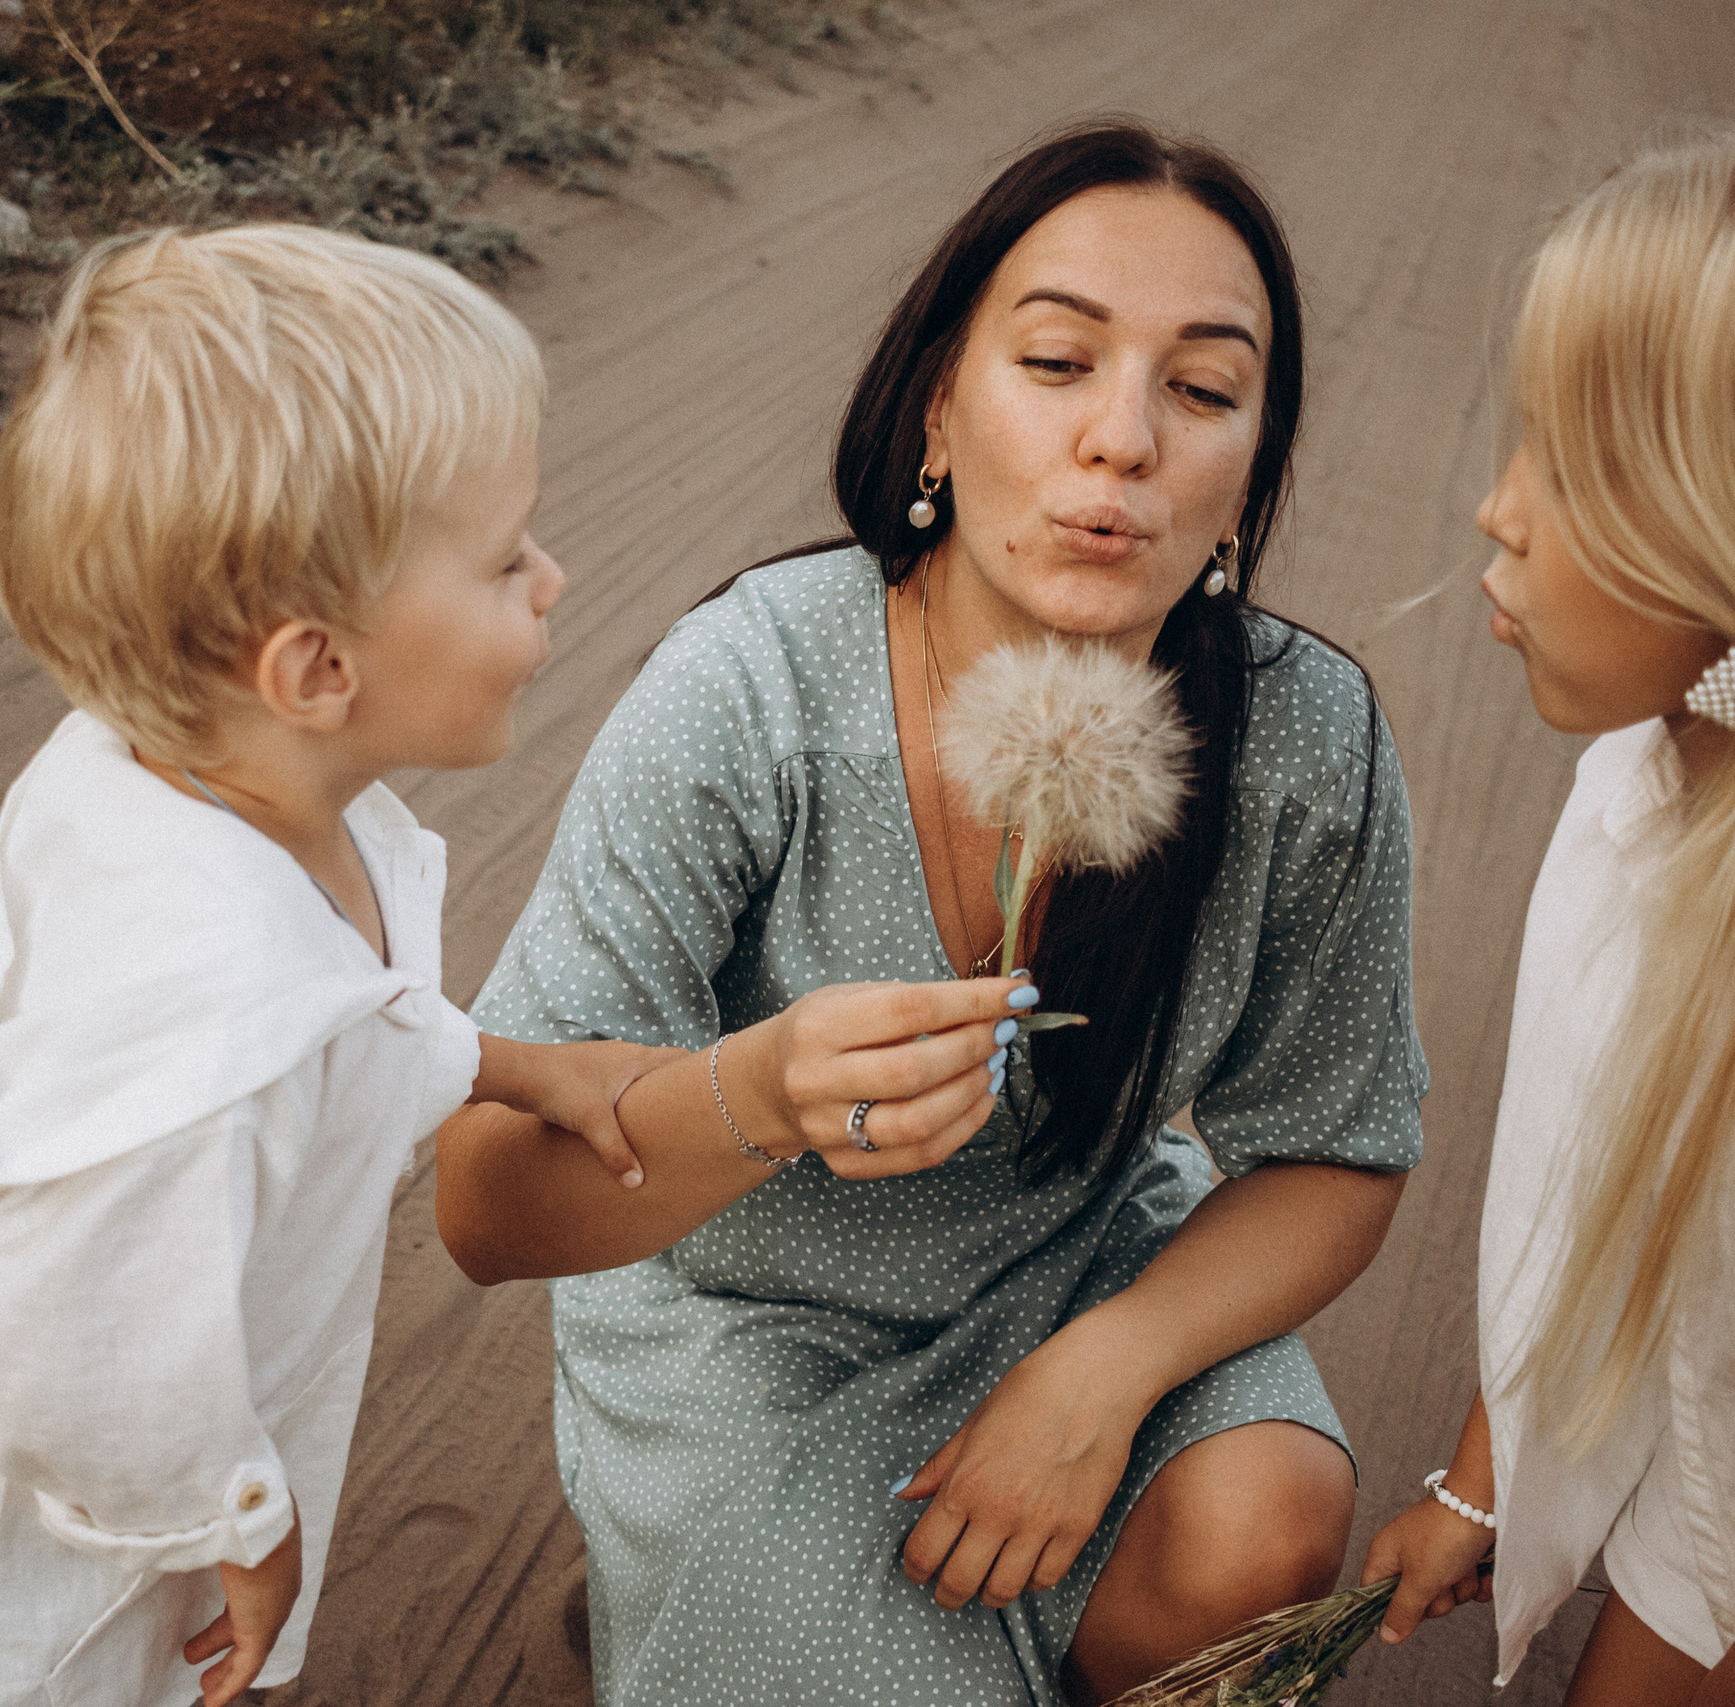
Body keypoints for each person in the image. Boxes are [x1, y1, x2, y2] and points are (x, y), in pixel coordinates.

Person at [437, 120, 1427, 1705]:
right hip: (747, 1307)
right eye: (1057, 361)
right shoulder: (746, 696)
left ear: (1251, 469)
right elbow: (487, 1207)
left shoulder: (1305, 743)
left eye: (1202, 388)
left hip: (1082, 1261)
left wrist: (1101, 1371)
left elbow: (1335, 1141)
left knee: (1267, 1527)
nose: (1122, 440)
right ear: (936, 412)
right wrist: (755, 1094)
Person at [0, 224, 690, 1707]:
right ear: (318, 672)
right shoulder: (192, 1037)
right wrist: (242, 1527)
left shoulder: (212, 792)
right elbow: (78, 1352)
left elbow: (345, 1021)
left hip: (125, 1527)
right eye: (506, 556)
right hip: (15, 1614)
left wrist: (512, 1068)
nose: (553, 579)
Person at [1360, 118, 1735, 1707]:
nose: (1496, 512)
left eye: (1577, 470)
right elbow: (1590, 1180)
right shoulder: (1634, 791)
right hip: (1715, 1493)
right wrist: (1483, 1474)